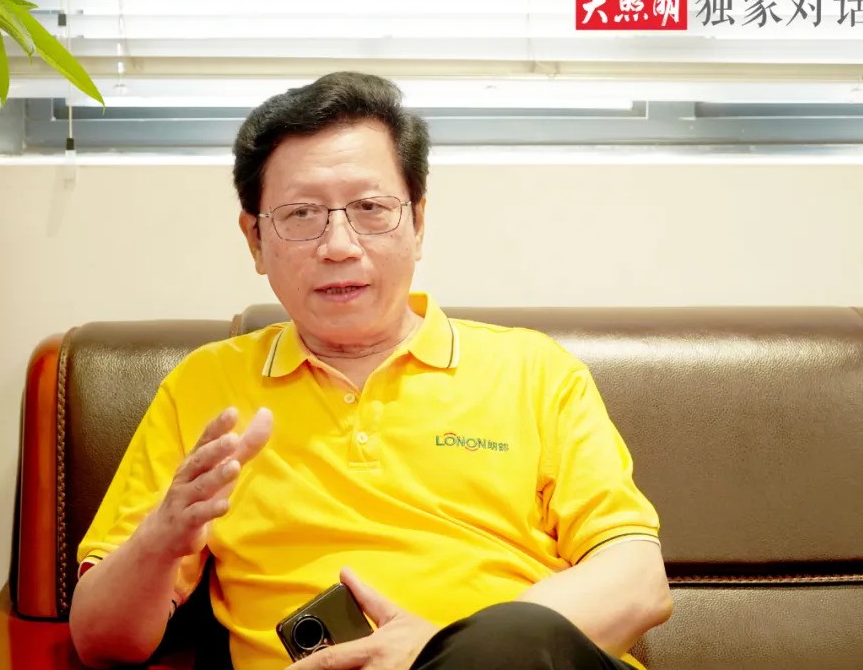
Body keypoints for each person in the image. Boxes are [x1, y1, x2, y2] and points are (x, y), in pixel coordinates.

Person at [68, 72, 672, 670]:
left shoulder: (534, 372)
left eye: (370, 208)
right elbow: (99, 641)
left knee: (507, 641)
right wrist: (160, 539)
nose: (339, 244)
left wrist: (441, 652)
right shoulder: (204, 388)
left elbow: (638, 581)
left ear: (418, 223)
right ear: (255, 240)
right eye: (301, 214)